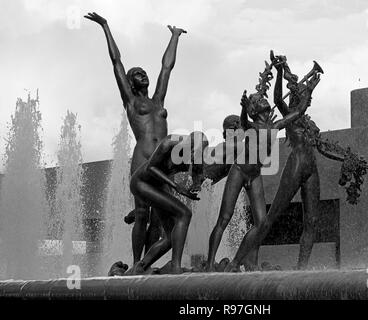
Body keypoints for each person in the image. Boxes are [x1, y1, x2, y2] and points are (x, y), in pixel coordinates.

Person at [84, 12, 187, 264]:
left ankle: (148, 264)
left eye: (144, 72)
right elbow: (116, 61)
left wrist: (174, 37)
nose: (144, 75)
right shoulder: (131, 102)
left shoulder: (157, 100)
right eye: (138, 73)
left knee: (163, 215)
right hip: (142, 158)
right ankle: (134, 265)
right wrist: (105, 26)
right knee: (142, 212)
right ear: (131, 82)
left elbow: (166, 68)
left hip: (162, 160)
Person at [206, 61, 312, 272]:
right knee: (224, 218)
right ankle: (209, 264)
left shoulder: (275, 125)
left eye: (261, 97)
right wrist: (243, 109)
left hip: (255, 175)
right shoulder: (252, 125)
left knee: (262, 223)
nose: (262, 99)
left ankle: (243, 260)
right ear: (254, 108)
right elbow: (244, 124)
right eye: (258, 99)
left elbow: (299, 111)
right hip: (240, 171)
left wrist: (304, 87)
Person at [121, 132, 209, 275]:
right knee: (184, 214)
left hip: (159, 185)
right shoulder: (169, 143)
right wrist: (176, 187)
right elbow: (151, 167)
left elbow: (197, 175)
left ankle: (140, 266)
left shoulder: (197, 155)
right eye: (192, 152)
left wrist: (196, 186)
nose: (194, 157)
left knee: (169, 238)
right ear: (187, 144)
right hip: (142, 182)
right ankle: (175, 267)